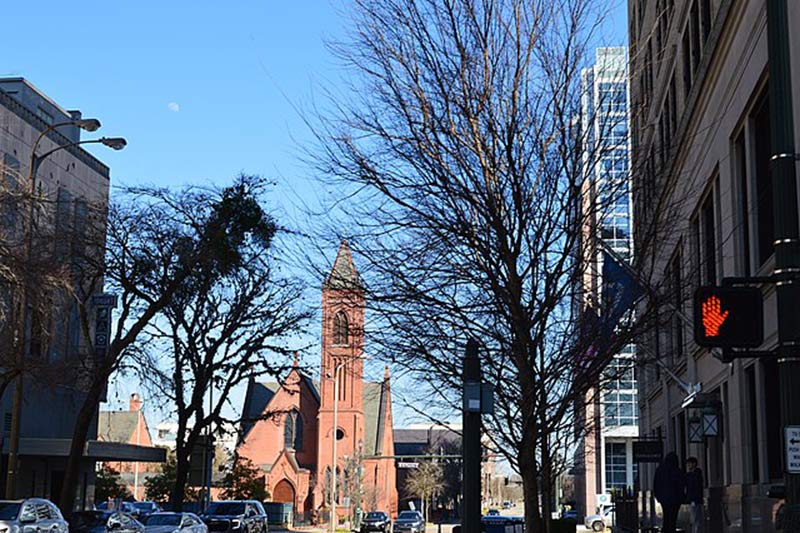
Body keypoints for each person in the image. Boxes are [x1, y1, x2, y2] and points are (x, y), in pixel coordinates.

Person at [654, 452, 686, 533]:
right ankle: (671, 530)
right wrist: (682, 497)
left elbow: (656, 484)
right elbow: (681, 485)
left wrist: (658, 497)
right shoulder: (678, 471)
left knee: (666, 516)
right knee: (673, 518)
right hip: (675, 499)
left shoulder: (660, 470)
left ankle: (666, 530)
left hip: (664, 499)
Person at [686, 457, 704, 533]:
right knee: (695, 519)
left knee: (695, 519)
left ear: (694, 464)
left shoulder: (695, 475)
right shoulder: (691, 475)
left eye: (689, 463)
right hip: (694, 500)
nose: (688, 465)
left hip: (694, 500)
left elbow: (695, 488)